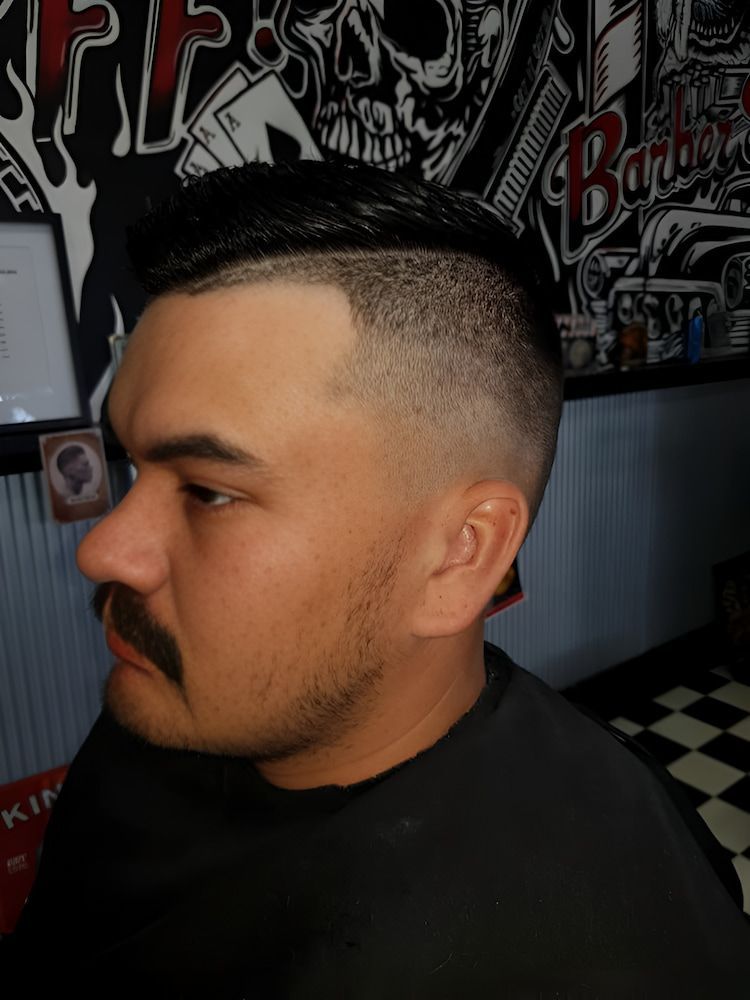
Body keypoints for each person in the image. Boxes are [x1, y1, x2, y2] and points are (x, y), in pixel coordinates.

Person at [3, 161, 749, 997]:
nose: (105, 550)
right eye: (132, 462)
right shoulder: (175, 704)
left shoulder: (619, 949)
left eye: (210, 490)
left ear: (459, 554)